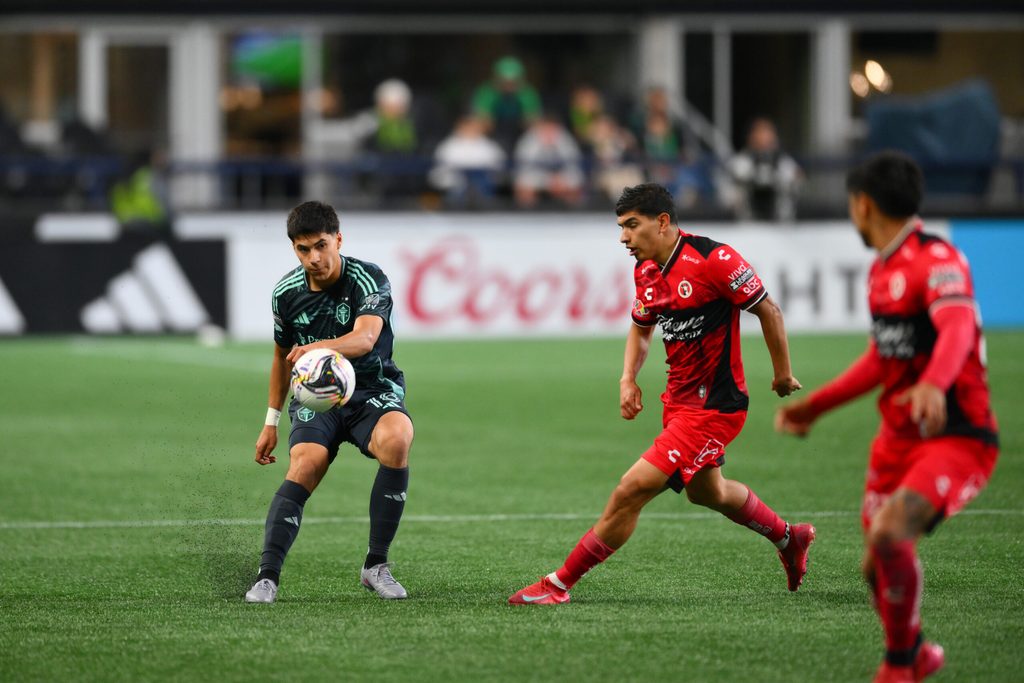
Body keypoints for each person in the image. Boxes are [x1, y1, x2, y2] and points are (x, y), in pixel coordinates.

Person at [509, 183, 815, 605]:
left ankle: (558, 584)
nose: (623, 237)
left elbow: (768, 309)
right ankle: (789, 537)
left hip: (713, 408)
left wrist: (783, 374)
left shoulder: (714, 259)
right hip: (679, 405)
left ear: (663, 221)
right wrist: (627, 377)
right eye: (621, 227)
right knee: (710, 492)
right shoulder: (647, 269)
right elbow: (641, 326)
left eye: (632, 225)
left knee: (630, 490)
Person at [775, 152, 999, 683]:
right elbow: (882, 359)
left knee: (891, 534)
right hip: (896, 441)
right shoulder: (881, 271)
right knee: (877, 565)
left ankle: (897, 668)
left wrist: (933, 384)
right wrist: (816, 406)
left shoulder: (936, 258)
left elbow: (959, 327)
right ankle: (916, 652)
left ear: (862, 204)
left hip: (957, 434)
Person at [246, 200, 415, 604]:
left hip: (371, 389)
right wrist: (270, 420)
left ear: (338, 239)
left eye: (321, 245)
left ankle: (376, 566)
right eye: (304, 249)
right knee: (305, 465)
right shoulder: (286, 295)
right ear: (294, 249)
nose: (315, 258)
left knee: (397, 438)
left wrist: (316, 348)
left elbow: (365, 339)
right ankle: (267, 577)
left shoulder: (368, 279)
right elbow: (278, 357)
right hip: (316, 400)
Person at [728, 118, 801, 222]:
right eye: (760, 133)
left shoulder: (781, 160)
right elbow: (733, 179)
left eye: (767, 133)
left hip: (779, 223)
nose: (764, 137)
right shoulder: (742, 160)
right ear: (751, 136)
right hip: (747, 222)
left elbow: (797, 177)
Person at [471, 56, 542, 155]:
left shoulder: (528, 93)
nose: (508, 86)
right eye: (504, 81)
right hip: (495, 130)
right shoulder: (486, 92)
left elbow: (532, 122)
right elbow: (483, 122)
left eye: (513, 82)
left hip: (519, 130)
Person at [513, 115, 585, 208]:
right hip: (536, 174)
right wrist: (549, 179)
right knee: (524, 182)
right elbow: (524, 165)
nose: (549, 131)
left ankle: (572, 214)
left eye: (552, 128)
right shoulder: (529, 139)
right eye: (546, 128)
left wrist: (557, 178)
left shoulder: (564, 138)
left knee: (575, 181)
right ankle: (527, 214)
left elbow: (573, 162)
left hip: (560, 175)